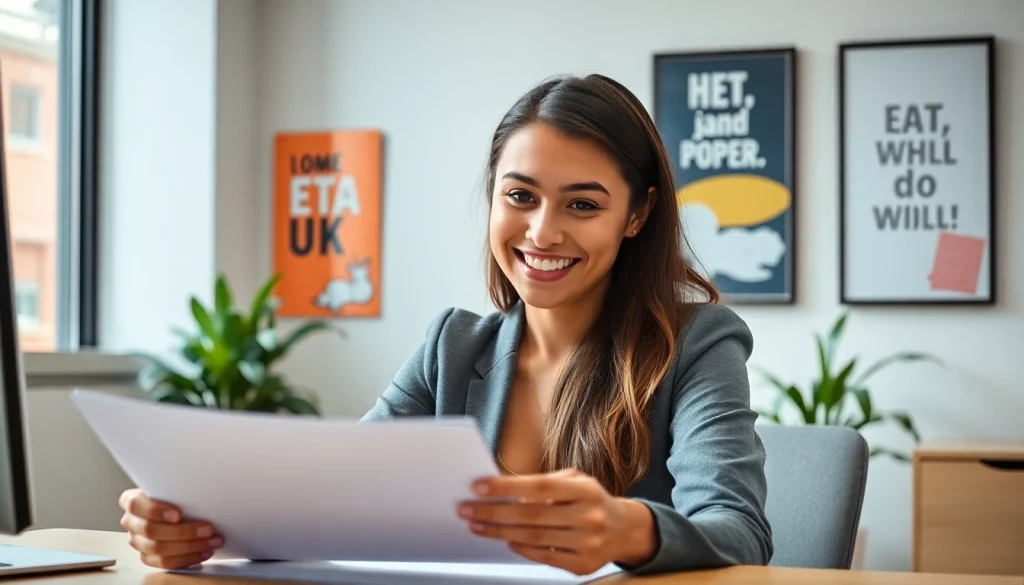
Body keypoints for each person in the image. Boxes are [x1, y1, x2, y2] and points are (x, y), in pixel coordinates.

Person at [117, 73, 773, 576]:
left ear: (637, 214)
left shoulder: (698, 343)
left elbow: (740, 532)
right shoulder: (451, 348)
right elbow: (332, 499)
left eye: (582, 204)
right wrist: (197, 527)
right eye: (520, 196)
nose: (543, 231)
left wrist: (626, 529)